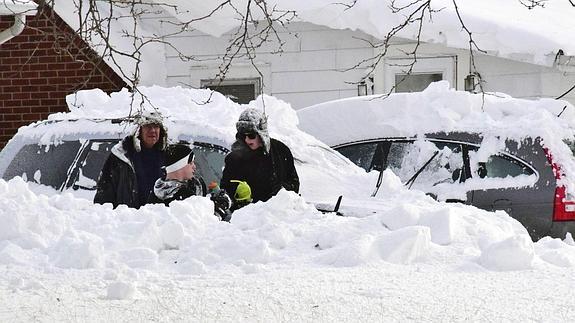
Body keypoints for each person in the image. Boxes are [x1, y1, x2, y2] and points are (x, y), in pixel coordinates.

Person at [220, 108, 299, 211]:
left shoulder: (280, 151)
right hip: (246, 220)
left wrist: (282, 190)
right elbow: (226, 189)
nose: (247, 140)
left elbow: (294, 183)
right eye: (243, 136)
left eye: (251, 135)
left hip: (279, 217)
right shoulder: (234, 158)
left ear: (261, 134)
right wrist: (236, 196)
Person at [94, 111, 167, 208]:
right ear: (138, 130)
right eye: (148, 126)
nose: (153, 130)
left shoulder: (170, 155)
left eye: (156, 126)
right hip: (129, 218)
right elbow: (105, 194)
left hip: (161, 219)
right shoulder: (121, 156)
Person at [150, 143, 231, 220]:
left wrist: (213, 200)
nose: (194, 167)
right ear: (180, 165)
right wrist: (218, 209)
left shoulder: (193, 185)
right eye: (191, 163)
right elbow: (203, 223)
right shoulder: (180, 196)